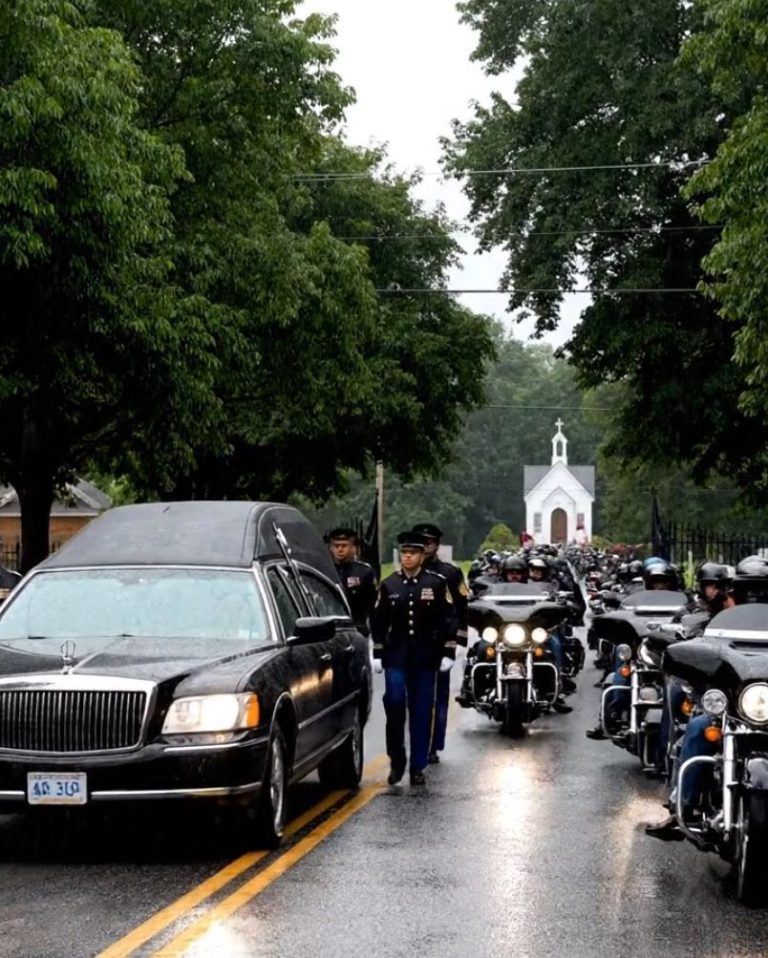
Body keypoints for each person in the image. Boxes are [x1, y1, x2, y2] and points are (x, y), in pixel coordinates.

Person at [371, 531, 455, 786]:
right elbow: (378, 620)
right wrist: (377, 652)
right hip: (396, 656)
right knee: (394, 703)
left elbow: (447, 618)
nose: (407, 558)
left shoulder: (436, 583)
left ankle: (418, 765)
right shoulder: (389, 585)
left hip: (425, 656)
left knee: (421, 712)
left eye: (412, 554)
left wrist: (448, 651)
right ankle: (397, 760)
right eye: (404, 553)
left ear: (421, 556)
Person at [411, 522, 469, 764]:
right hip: (409, 641)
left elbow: (461, 607)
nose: (425, 547)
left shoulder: (449, 573)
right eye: (421, 543)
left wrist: (458, 639)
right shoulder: (405, 573)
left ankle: (432, 745)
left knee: (435, 695)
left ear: (436, 545)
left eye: (430, 543)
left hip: (437, 642)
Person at [326, 527, 377, 636]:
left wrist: (377, 637)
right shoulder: (324, 570)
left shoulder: (364, 572)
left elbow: (372, 606)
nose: (340, 549)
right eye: (336, 546)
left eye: (344, 546)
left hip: (357, 628)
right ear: (331, 548)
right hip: (331, 629)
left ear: (353, 548)